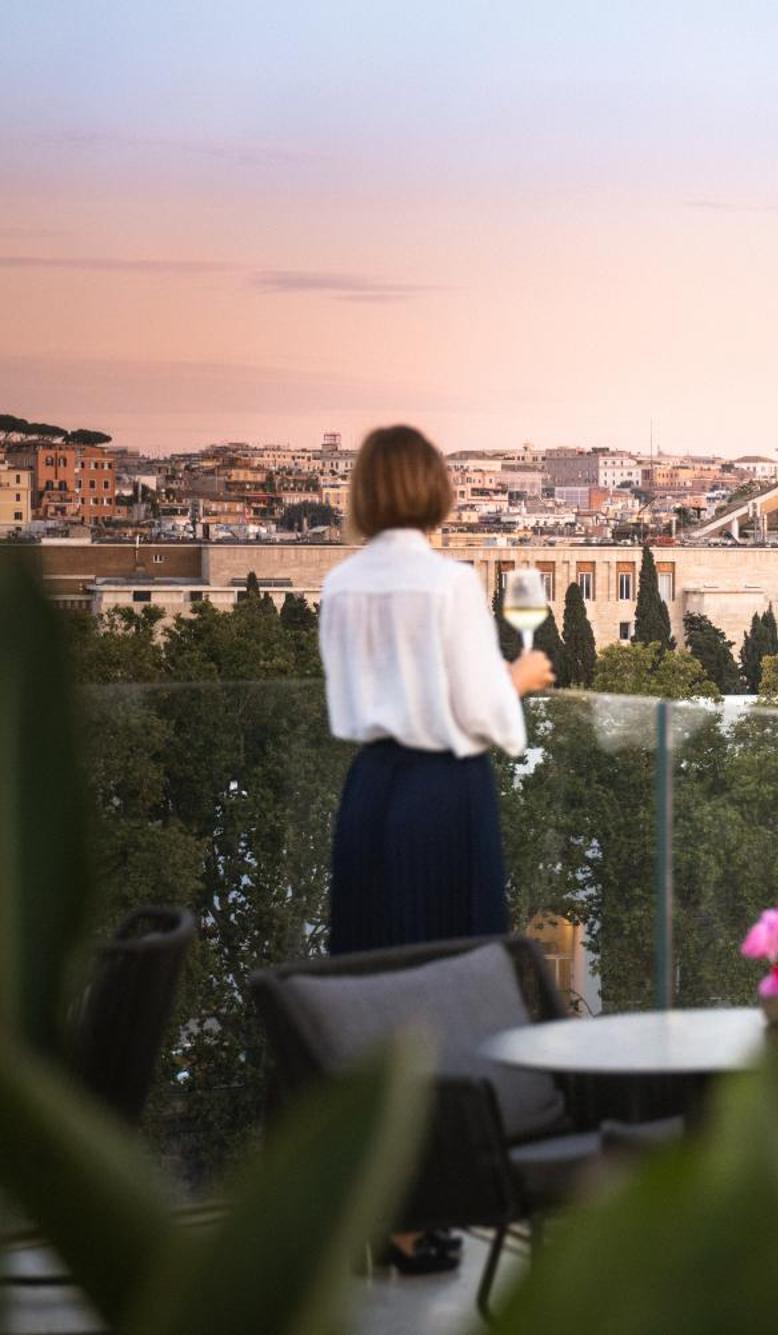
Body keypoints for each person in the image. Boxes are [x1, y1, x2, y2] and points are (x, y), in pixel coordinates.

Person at [319, 425, 553, 1274]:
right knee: (447, 999)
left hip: (371, 791)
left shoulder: (340, 583)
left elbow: (348, 702)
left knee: (373, 996)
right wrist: (519, 682)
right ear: (436, 489)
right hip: (445, 795)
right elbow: (480, 710)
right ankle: (422, 1216)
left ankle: (379, 1208)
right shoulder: (451, 583)